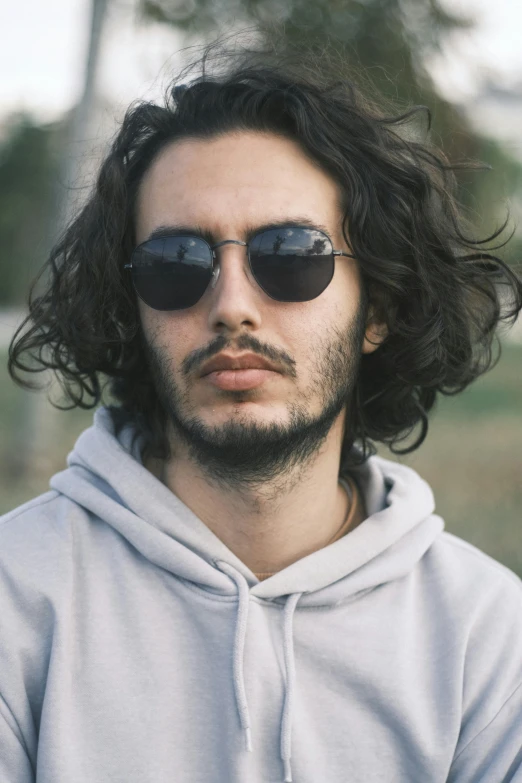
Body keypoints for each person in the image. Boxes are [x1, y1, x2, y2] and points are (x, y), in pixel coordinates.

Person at [2, 41, 522, 783]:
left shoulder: (490, 640)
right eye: (176, 264)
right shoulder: (15, 601)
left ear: (378, 309)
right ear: (133, 310)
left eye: (292, 254)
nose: (233, 306)